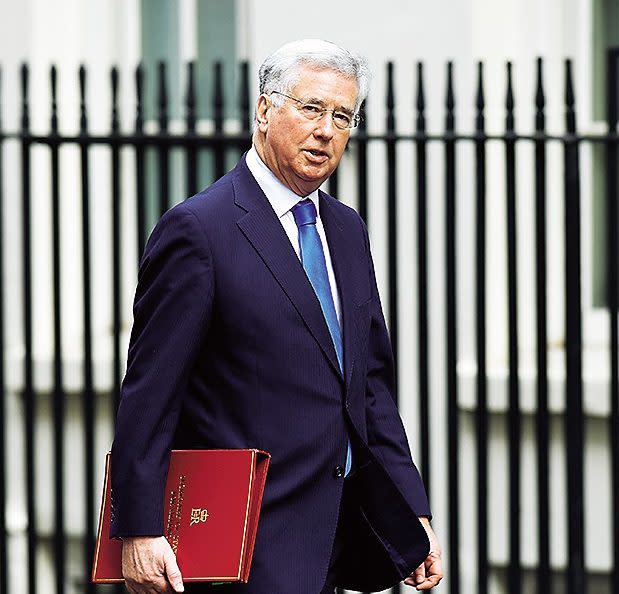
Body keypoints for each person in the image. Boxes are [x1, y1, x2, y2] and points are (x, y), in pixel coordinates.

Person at [110, 39, 443, 594]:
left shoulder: (346, 229)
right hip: (245, 547)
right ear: (264, 111)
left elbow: (368, 388)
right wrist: (139, 531)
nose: (327, 131)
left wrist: (411, 511)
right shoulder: (199, 231)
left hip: (341, 536)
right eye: (311, 108)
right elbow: (151, 391)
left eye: (343, 116)